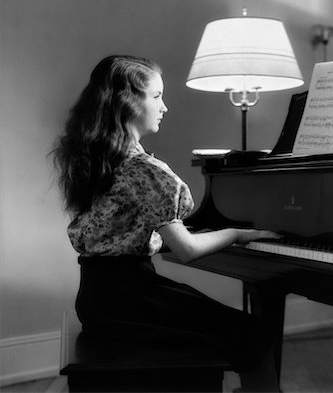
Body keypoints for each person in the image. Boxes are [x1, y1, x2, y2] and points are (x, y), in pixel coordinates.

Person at [52, 55, 280, 392]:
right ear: (126, 101)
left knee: (216, 320)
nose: (165, 107)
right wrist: (237, 233)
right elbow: (186, 249)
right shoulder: (145, 169)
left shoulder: (99, 159)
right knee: (250, 330)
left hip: (97, 300)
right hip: (131, 300)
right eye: (157, 96)